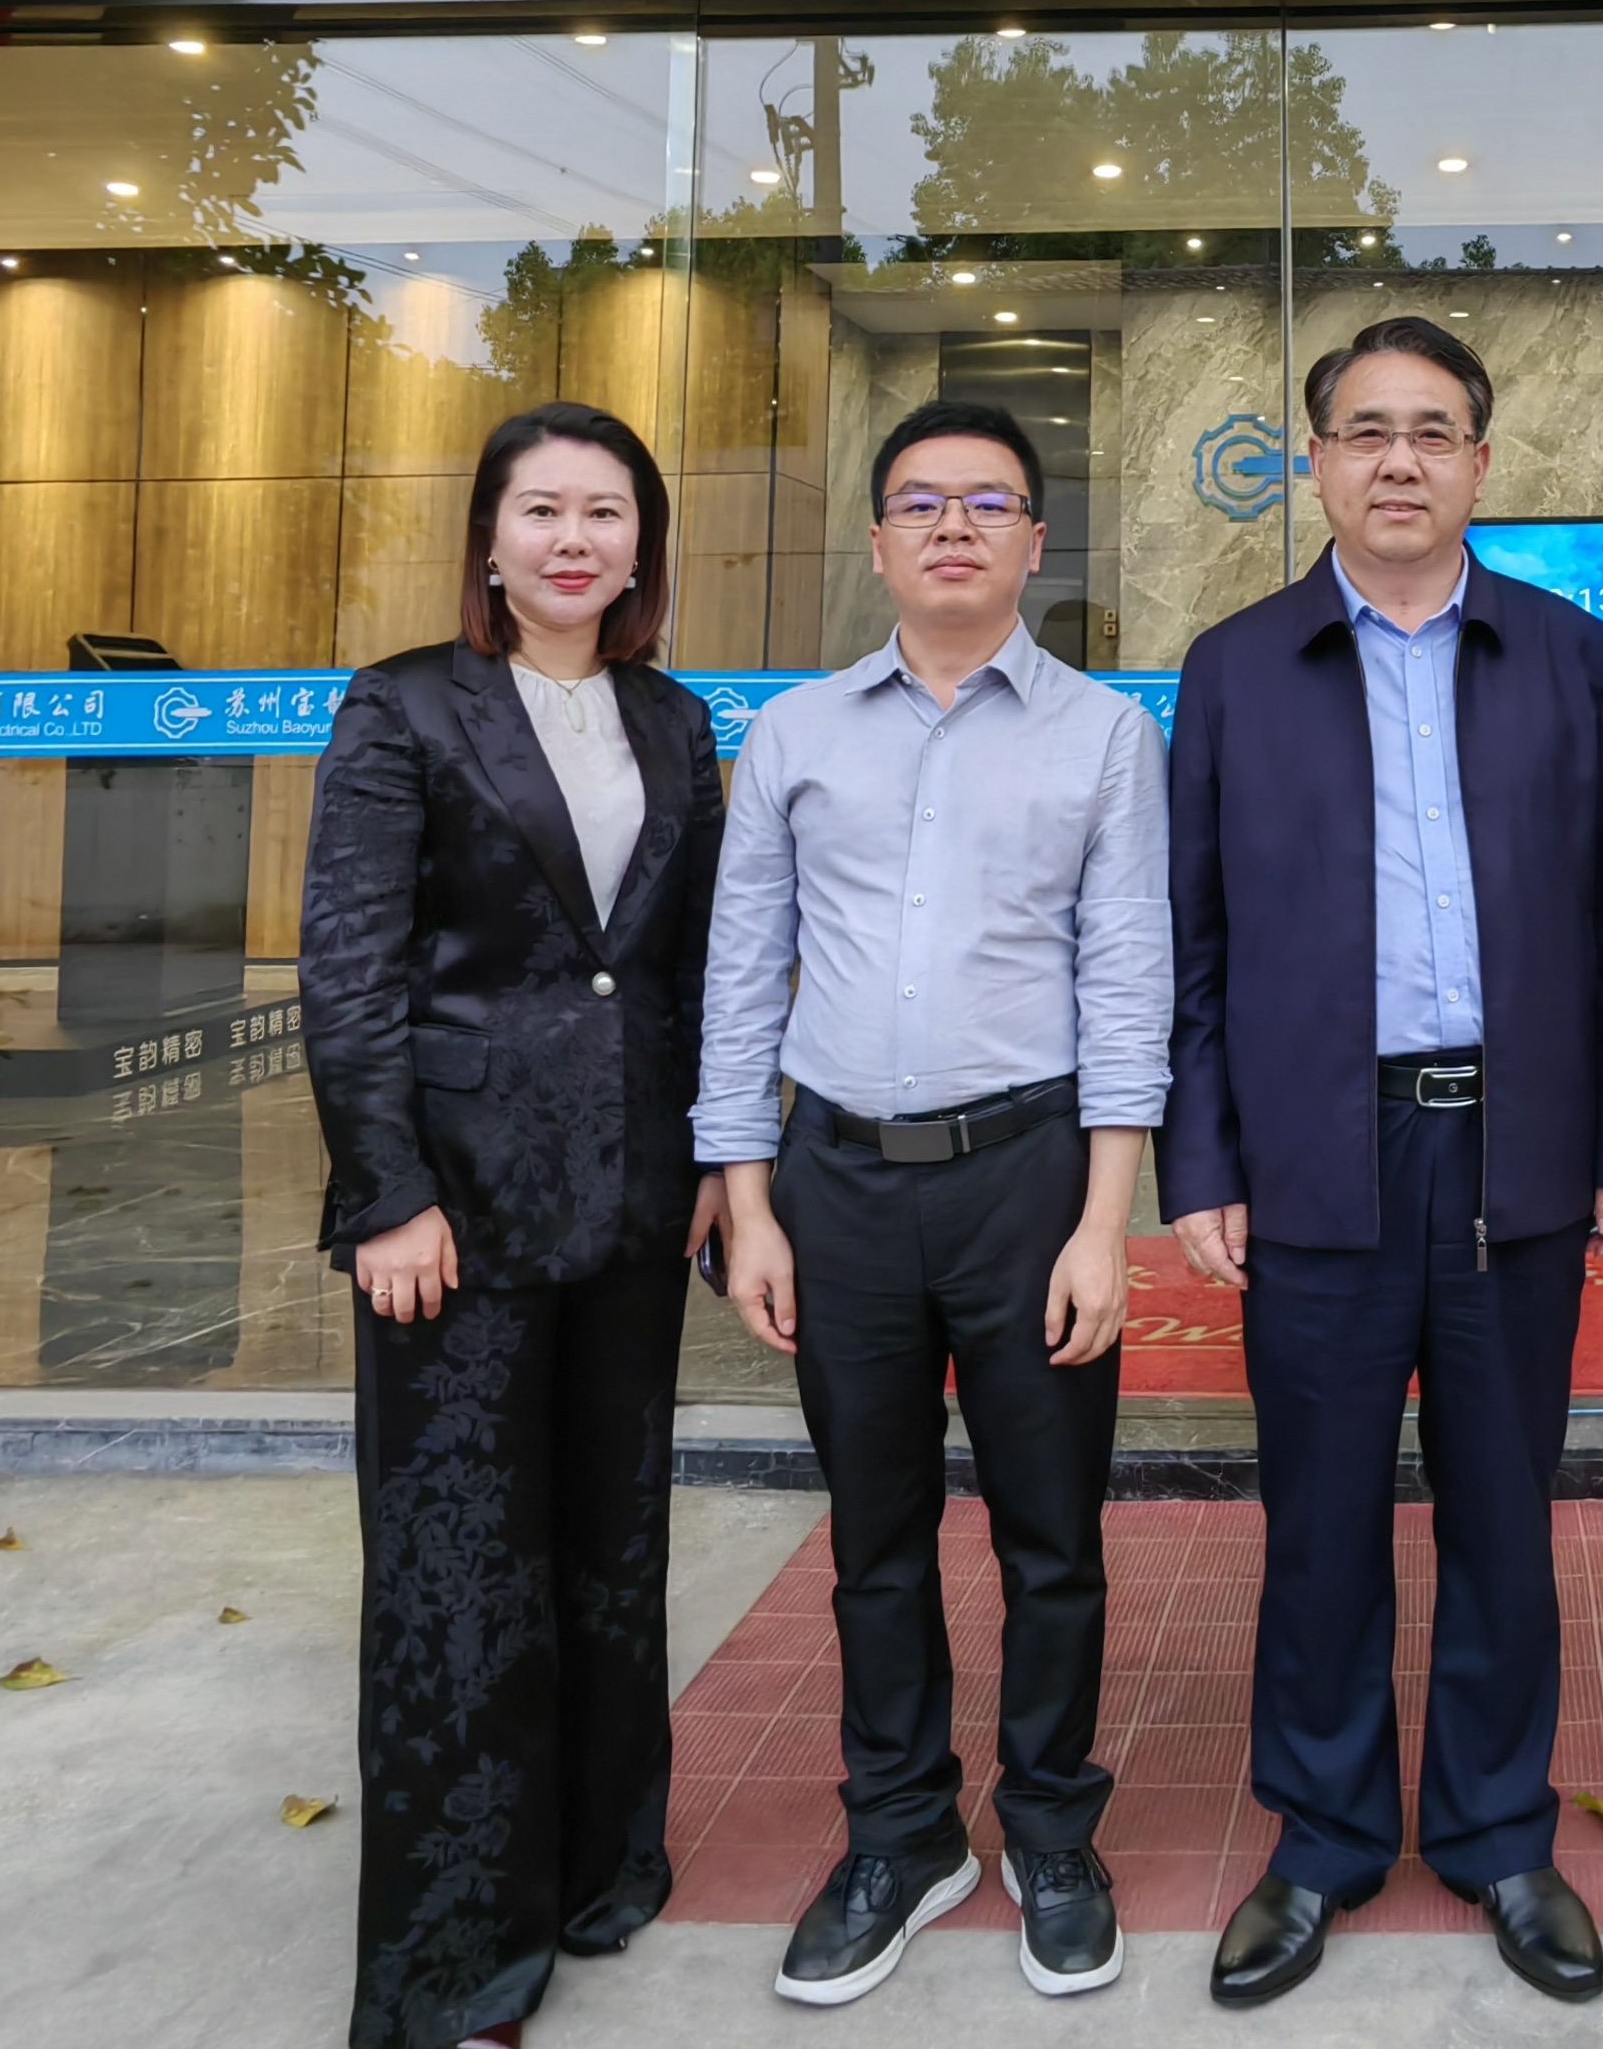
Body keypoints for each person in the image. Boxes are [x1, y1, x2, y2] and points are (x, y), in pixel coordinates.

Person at [1162, 315, 1603, 2012]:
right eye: (1366, 429)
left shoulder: (1565, 655)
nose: (1399, 459)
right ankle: (1321, 1838)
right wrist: (1203, 1157)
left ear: (1481, 462)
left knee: (1505, 1509)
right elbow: (1193, 940)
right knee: (1318, 1517)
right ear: (1315, 461)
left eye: (1432, 430)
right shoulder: (1237, 665)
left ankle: (1500, 1831)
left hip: (1517, 1136)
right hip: (1319, 1141)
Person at [698, 397, 1170, 2008]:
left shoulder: (1105, 735)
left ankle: (1050, 1828)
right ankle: (902, 1833)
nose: (954, 524)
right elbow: (740, 977)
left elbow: (1129, 983)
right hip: (833, 1180)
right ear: (879, 540)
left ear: (1036, 541)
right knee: (874, 1534)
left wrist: (1106, 1222)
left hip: (1030, 1179)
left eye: (988, 501)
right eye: (921, 500)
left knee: (1053, 1533)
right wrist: (747, 1202)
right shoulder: (794, 734)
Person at [302, 400, 729, 2049]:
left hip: (630, 1198)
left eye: (606, 511)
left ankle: (600, 1866)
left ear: (641, 546)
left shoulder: (674, 720)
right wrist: (388, 1192)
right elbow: (349, 971)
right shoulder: (404, 705)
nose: (574, 538)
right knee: (460, 1575)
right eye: (542, 508)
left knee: (614, 1548)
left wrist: (715, 1157)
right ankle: (452, 1967)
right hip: (456, 1215)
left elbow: (681, 967)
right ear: (488, 538)